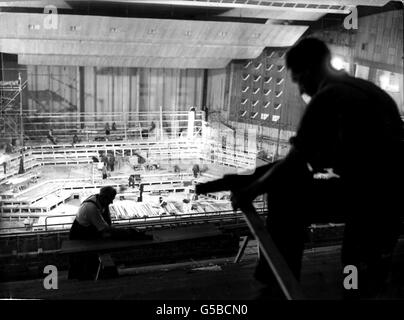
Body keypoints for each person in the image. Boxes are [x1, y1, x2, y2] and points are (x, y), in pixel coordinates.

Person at [232, 38, 404, 299]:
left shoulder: (328, 96)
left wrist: (251, 190)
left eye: (299, 79)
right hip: (390, 199)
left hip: (365, 196)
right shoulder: (370, 91)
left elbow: (295, 163)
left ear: (309, 71)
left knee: (285, 194)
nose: (301, 88)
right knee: (359, 268)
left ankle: (276, 284)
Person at [68, 186, 153, 279]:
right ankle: (84, 277)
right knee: (83, 258)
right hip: (80, 234)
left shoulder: (99, 199)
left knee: (91, 256)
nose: (111, 202)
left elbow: (107, 220)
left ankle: (91, 274)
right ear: (105, 198)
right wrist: (125, 231)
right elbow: (104, 228)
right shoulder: (91, 208)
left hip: (88, 230)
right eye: (110, 200)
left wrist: (114, 229)